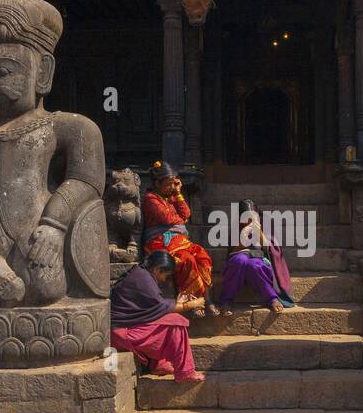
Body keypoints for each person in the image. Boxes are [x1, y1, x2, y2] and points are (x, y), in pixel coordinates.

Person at [109, 250, 204, 382]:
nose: (165, 279)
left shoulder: (140, 273)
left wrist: (179, 302)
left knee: (163, 319)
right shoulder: (143, 278)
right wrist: (190, 305)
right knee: (176, 323)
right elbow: (159, 307)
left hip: (121, 330)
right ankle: (185, 372)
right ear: (157, 269)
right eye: (166, 275)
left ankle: (159, 364)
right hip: (121, 334)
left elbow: (153, 309)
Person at [142, 160, 219, 318]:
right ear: (157, 183)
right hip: (159, 242)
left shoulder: (170, 198)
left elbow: (186, 214)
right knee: (187, 259)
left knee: (202, 256)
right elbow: (169, 218)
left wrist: (178, 193)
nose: (172, 187)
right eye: (169, 184)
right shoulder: (151, 199)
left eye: (174, 183)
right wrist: (180, 219)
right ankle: (192, 302)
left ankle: (206, 298)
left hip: (178, 241)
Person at [219, 199, 295, 315]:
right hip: (240, 255)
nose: (248, 219)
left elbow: (272, 249)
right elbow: (232, 251)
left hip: (259, 257)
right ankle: (226, 300)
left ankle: (271, 298)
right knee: (239, 261)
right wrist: (243, 237)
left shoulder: (266, 224)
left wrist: (259, 232)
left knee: (254, 265)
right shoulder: (236, 226)